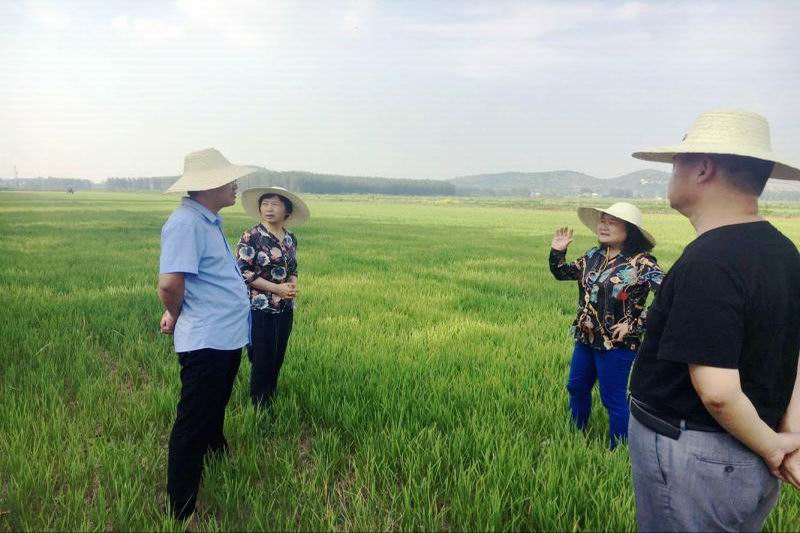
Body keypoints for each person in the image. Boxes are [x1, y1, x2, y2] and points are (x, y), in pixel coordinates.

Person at [627, 109, 800, 531]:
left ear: (703, 168)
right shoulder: (784, 252)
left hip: (697, 457)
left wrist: (774, 448)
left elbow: (718, 392)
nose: (673, 172)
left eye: (677, 162)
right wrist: (789, 434)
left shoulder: (710, 261)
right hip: (748, 456)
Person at [158, 148, 256, 520]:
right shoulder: (186, 223)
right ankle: (180, 511)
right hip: (207, 341)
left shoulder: (208, 221)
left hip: (226, 336)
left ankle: (216, 453)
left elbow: (198, 279)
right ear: (207, 185)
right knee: (193, 422)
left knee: (215, 405)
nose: (235, 184)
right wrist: (173, 313)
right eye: (229, 179)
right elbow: (170, 284)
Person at [550, 202, 663, 449]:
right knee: (576, 387)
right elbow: (562, 273)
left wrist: (636, 325)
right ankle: (575, 435)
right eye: (603, 220)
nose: (604, 226)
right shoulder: (594, 256)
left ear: (629, 230)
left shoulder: (641, 263)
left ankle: (618, 449)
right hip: (586, 337)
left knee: (612, 399)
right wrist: (557, 252)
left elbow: (667, 296)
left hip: (617, 343)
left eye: (612, 222)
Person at [237, 186, 310, 409]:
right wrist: (276, 289)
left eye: (275, 204)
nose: (269, 208)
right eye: (265, 204)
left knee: (278, 354)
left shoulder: (290, 238)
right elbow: (243, 271)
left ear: (287, 210)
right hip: (259, 307)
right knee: (262, 356)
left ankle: (270, 395)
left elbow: (293, 268)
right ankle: (260, 406)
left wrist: (291, 285)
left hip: (285, 306)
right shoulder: (251, 236)